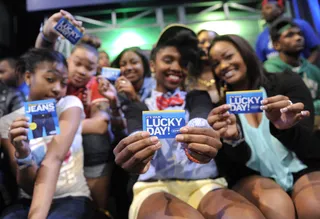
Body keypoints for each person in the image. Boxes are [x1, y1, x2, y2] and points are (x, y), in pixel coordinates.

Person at [113, 24, 265, 219]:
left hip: (205, 183)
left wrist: (202, 130)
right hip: (153, 186)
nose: (176, 68)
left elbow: (200, 115)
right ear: (152, 65)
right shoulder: (139, 105)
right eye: (168, 60)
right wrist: (134, 150)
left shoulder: (198, 97)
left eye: (183, 63)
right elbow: (135, 129)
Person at [207, 34, 320, 219]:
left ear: (245, 52)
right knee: (278, 209)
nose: (223, 66)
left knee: (315, 207)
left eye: (228, 56)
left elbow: (311, 149)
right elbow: (230, 168)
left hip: (302, 166)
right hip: (251, 176)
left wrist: (285, 128)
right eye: (215, 63)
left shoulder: (285, 83)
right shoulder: (220, 108)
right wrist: (234, 140)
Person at [35, 10, 125, 215]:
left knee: (96, 139)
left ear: (96, 70)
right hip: (47, 142)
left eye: (90, 67)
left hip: (79, 143)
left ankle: (99, 209)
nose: (82, 71)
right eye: (77, 63)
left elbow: (100, 125)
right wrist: (48, 33)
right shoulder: (55, 77)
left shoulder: (95, 85)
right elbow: (40, 58)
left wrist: (59, 126)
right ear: (67, 60)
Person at [0, 48, 94, 219]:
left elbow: (54, 158)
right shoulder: (8, 122)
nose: (58, 89)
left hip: (72, 198)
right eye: (50, 79)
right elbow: (28, 186)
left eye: (64, 83)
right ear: (28, 77)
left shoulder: (69, 104)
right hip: (27, 202)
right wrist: (23, 153)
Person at [264, 18, 320, 116]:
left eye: (300, 34)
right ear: (276, 45)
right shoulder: (270, 71)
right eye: (289, 35)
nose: (298, 38)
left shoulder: (313, 70)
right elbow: (279, 107)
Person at [256, 0, 320, 65]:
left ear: (280, 8)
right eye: (262, 9)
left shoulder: (300, 25)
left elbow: (316, 49)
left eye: (268, 8)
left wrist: (304, 69)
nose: (263, 12)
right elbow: (261, 61)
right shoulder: (261, 36)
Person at [186, 29, 219, 103]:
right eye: (202, 42)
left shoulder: (224, 73)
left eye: (212, 42)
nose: (207, 45)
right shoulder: (186, 76)